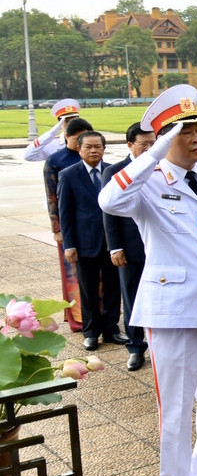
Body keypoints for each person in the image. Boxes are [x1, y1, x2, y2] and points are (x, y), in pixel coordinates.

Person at [99, 85, 197, 476]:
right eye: (186, 131)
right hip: (172, 308)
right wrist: (152, 152)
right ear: (167, 137)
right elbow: (109, 200)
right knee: (177, 408)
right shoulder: (147, 182)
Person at [58, 131, 124, 351]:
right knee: (88, 290)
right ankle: (91, 332)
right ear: (79, 148)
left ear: (104, 149)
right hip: (84, 243)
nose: (94, 150)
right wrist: (69, 244)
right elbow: (65, 213)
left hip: (111, 242)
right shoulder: (69, 175)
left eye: (98, 146)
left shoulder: (113, 172)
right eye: (89, 147)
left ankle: (111, 328)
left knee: (114, 288)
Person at [102, 123, 157, 371]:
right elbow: (109, 213)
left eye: (153, 143)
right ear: (130, 145)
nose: (149, 148)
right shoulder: (116, 171)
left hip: (158, 247)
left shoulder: (161, 167)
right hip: (130, 247)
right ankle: (136, 347)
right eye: (144, 144)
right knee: (132, 297)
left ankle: (159, 345)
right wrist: (115, 247)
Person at [44, 116, 93, 333]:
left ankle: (99, 315)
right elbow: (51, 197)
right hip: (68, 225)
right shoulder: (55, 161)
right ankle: (78, 317)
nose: (82, 142)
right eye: (77, 138)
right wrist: (57, 229)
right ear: (66, 137)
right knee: (72, 274)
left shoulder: (91, 156)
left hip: (92, 225)